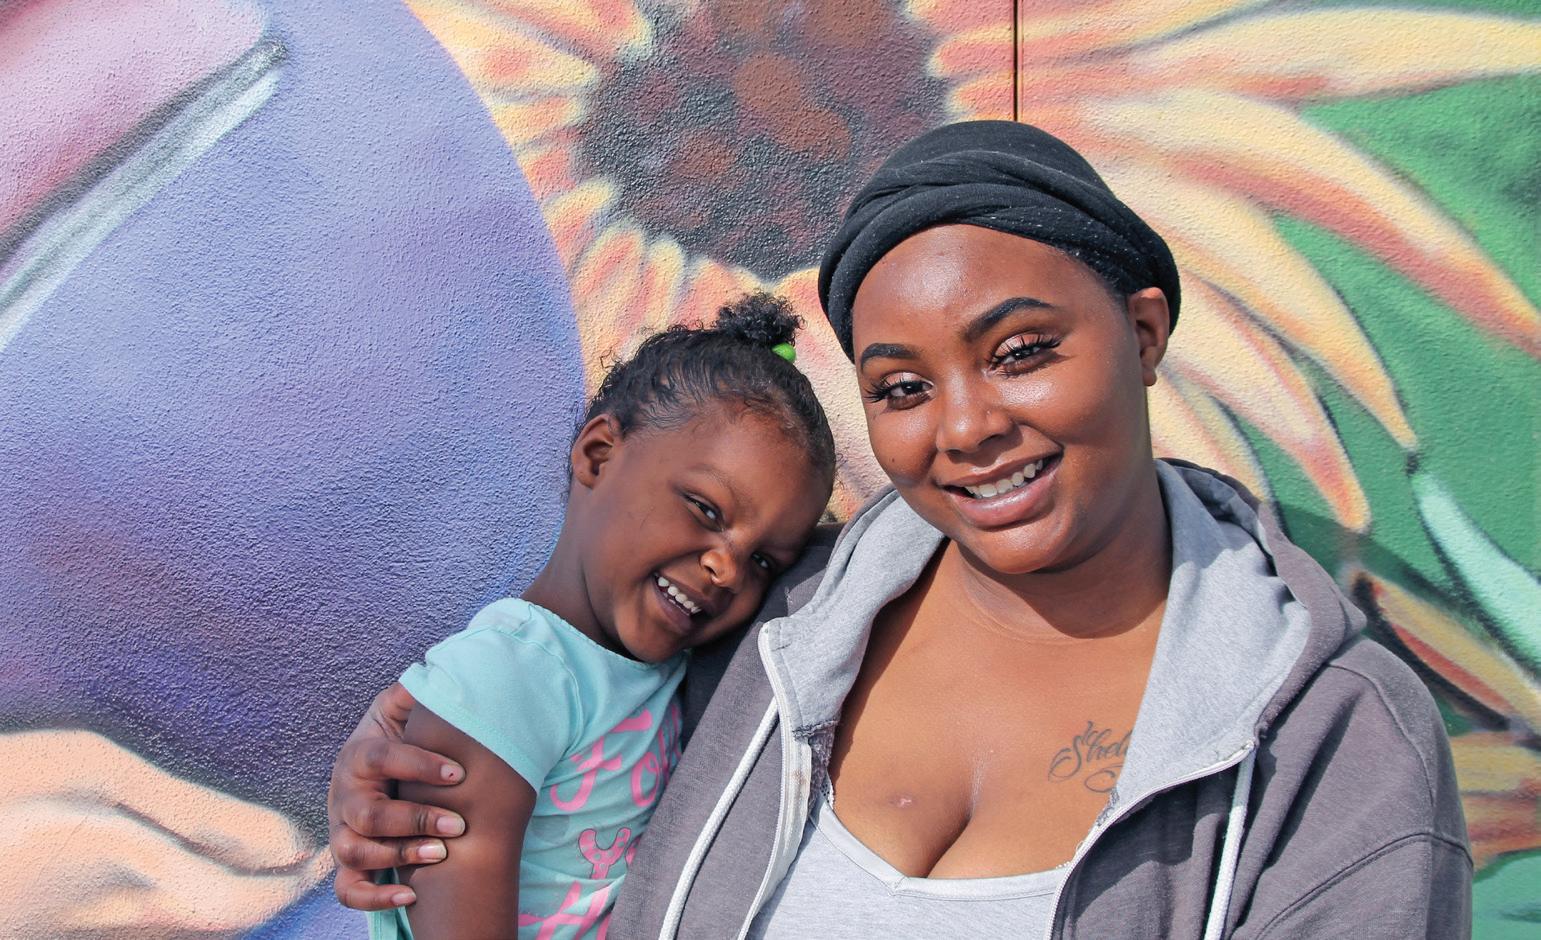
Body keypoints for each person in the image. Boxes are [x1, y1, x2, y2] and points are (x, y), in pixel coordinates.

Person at [330, 121, 1471, 939]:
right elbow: (542, 743)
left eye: (1020, 351)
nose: (965, 428)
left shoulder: (1330, 741)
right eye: (903, 388)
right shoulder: (775, 627)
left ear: (1140, 333)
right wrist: (397, 782)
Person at [361, 295, 835, 938]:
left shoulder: (672, 673)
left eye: (762, 562)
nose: (727, 569)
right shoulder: (505, 677)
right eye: (706, 509)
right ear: (599, 454)